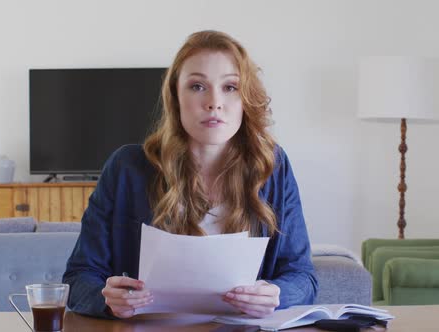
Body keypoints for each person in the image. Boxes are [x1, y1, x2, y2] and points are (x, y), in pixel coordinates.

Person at [62, 30, 318, 319]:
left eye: (230, 87)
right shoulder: (127, 167)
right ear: (175, 97)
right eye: (197, 86)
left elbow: (303, 278)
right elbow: (78, 278)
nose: (214, 102)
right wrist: (107, 299)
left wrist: (277, 295)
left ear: (246, 98)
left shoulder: (272, 166)